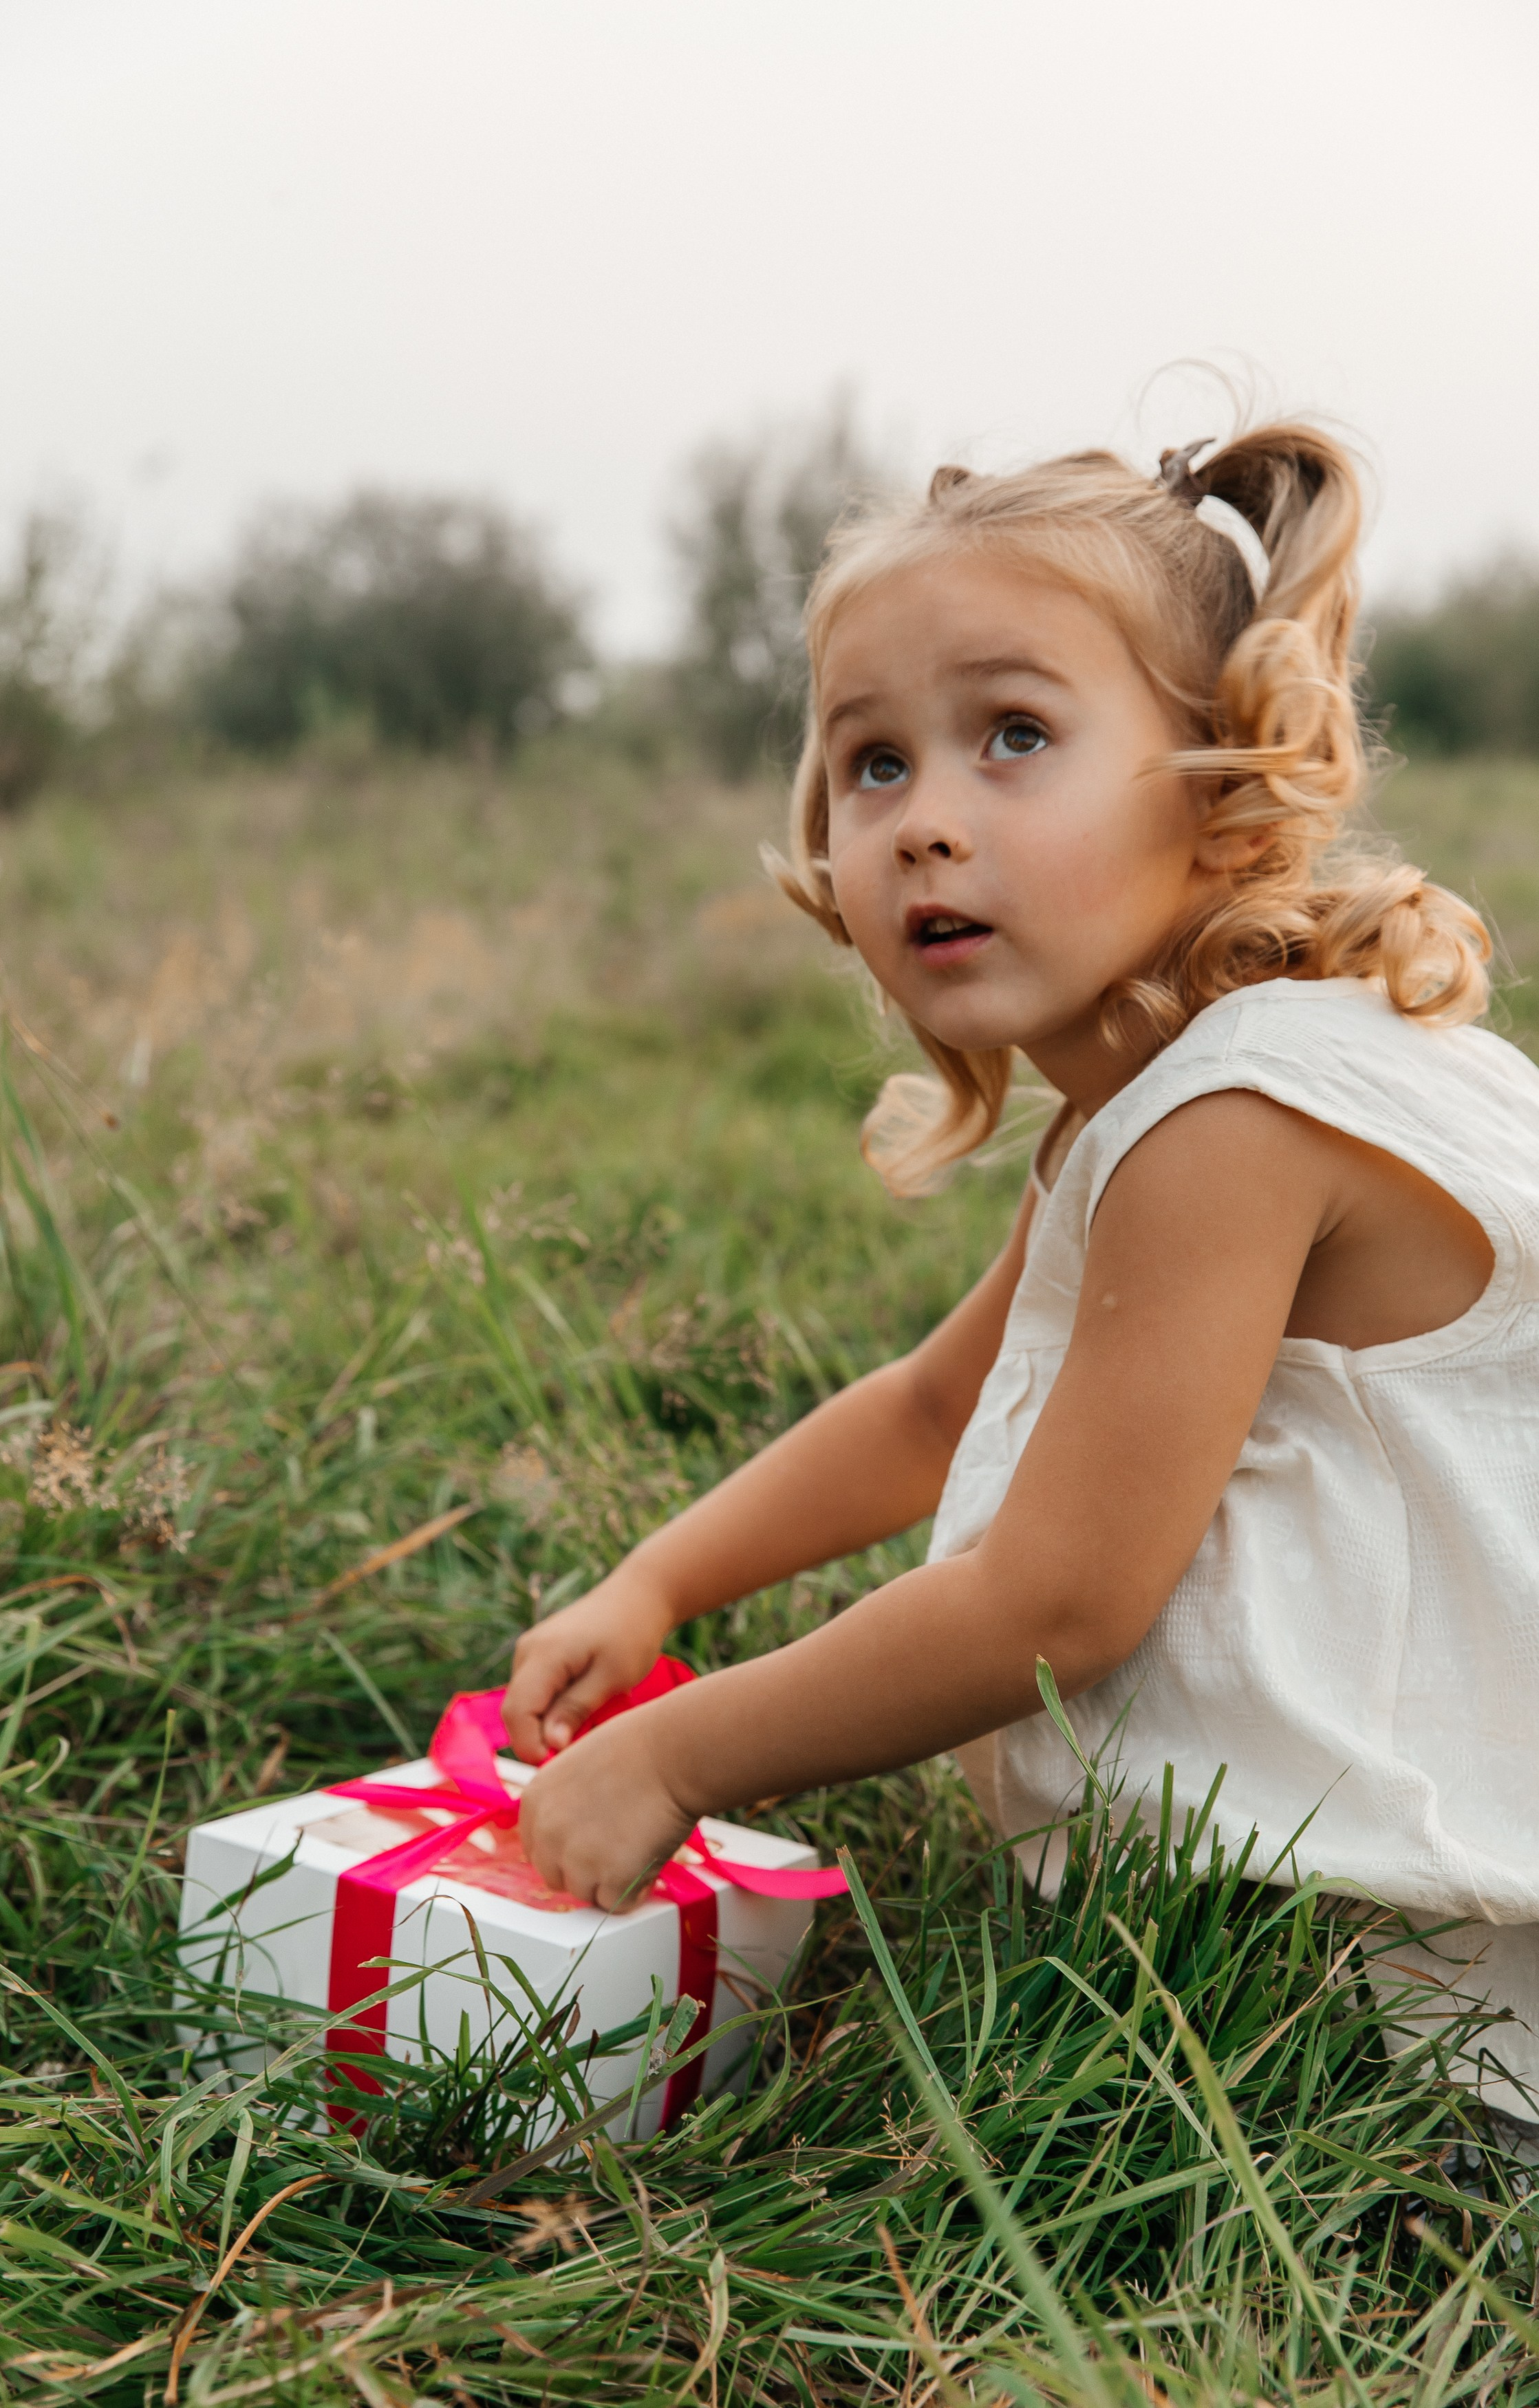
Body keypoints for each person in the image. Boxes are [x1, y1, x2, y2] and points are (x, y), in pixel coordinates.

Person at [504, 418, 1539, 2126]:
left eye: (1015, 736)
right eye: (874, 762)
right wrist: (655, 1585)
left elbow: (1055, 1608)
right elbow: (933, 1407)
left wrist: (679, 1751)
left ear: (1219, 789)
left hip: (1450, 2007)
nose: (925, 822)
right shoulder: (1163, 1097)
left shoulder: (1237, 1118)